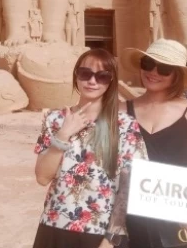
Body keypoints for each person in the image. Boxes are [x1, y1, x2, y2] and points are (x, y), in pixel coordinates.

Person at [33, 48, 147, 248]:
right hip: (55, 223)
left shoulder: (125, 125)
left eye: (102, 76)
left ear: (111, 81)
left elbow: (130, 185)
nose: (92, 81)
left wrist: (112, 236)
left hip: (100, 231)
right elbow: (42, 177)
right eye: (85, 74)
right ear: (76, 75)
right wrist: (63, 135)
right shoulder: (55, 119)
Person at [120, 39, 187, 248]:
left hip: (175, 211)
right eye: (148, 64)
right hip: (131, 212)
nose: (153, 72)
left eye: (164, 68)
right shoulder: (122, 110)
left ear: (176, 75)